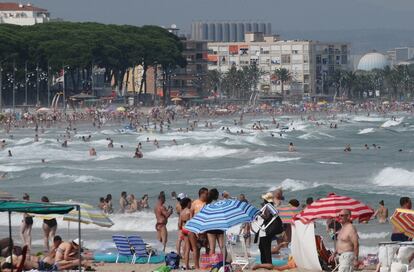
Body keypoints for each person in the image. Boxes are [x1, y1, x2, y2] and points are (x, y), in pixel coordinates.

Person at [206, 188, 224, 254]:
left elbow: (206, 216)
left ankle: (212, 263)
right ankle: (223, 262)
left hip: (210, 226)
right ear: (217, 195)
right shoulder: (220, 203)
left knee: (212, 248)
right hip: (219, 226)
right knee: (222, 246)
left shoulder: (207, 204)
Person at [178, 197, 192, 270]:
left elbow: (179, 224)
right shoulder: (189, 211)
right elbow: (192, 222)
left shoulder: (182, 212)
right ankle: (187, 266)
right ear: (188, 203)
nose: (191, 204)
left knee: (186, 248)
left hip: (183, 229)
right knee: (189, 248)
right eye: (190, 203)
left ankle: (186, 265)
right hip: (188, 229)